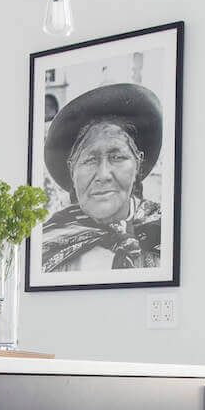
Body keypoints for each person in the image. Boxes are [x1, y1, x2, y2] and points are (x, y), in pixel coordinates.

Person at [37, 81, 164, 273]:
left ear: (138, 163)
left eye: (117, 157)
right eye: (90, 160)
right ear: (72, 170)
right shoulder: (46, 246)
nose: (103, 175)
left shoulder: (164, 233)